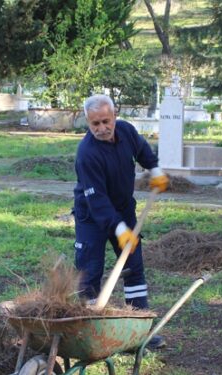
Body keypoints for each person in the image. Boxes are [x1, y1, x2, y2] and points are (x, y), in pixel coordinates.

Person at [72, 94, 169, 349]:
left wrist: (155, 170)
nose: (102, 128)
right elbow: (98, 202)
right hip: (92, 215)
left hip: (124, 208)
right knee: (89, 272)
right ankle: (89, 332)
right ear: (87, 121)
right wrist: (119, 229)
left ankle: (138, 330)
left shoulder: (126, 130)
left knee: (134, 266)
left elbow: (142, 150)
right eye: (95, 124)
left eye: (106, 121)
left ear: (114, 116)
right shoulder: (87, 154)